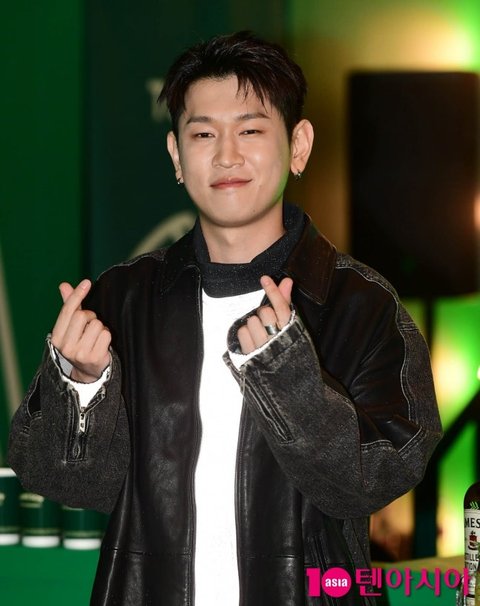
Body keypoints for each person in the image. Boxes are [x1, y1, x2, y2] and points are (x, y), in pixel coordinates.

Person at [8, 31, 442, 605]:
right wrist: (83, 386)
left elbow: (375, 481)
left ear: (299, 144)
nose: (227, 156)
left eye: (251, 130)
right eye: (203, 134)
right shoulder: (120, 300)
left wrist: (289, 382)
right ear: (176, 156)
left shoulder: (362, 306)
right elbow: (69, 485)